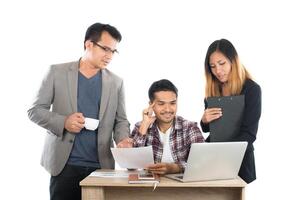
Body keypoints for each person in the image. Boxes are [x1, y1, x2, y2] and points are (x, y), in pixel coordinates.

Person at [27, 22, 132, 200]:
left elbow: (121, 120)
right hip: (64, 165)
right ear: (88, 44)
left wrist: (122, 139)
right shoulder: (56, 72)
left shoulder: (116, 82)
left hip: (101, 166)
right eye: (105, 49)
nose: (109, 56)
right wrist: (64, 122)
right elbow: (35, 110)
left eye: (113, 51)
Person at [200, 39, 261, 184]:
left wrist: (224, 152)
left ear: (233, 60)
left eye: (222, 64)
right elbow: (210, 129)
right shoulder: (213, 90)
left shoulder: (251, 89)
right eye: (213, 66)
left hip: (240, 159)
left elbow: (249, 134)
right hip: (214, 157)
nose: (218, 71)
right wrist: (204, 121)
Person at [130, 79, 205, 175]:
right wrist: (144, 126)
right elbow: (131, 165)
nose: (168, 109)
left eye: (172, 103)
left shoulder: (190, 128)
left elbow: (202, 162)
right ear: (151, 105)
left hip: (182, 187)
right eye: (161, 104)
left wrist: (176, 168)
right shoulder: (141, 126)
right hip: (150, 186)